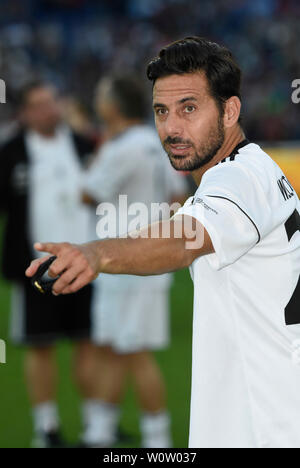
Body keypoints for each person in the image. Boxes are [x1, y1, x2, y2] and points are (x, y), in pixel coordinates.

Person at [26, 36, 300, 448]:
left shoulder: (237, 179)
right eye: (161, 111)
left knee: (126, 351)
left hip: (262, 427)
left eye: (189, 108)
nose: (171, 128)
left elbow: (186, 238)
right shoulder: (255, 168)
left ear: (230, 110)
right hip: (273, 409)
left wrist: (96, 253)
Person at [80, 74, 188, 448]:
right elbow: (177, 197)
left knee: (133, 352)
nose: (97, 100)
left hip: (121, 262)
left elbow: (86, 194)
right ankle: (99, 433)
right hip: (149, 259)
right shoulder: (156, 141)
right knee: (115, 347)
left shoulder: (119, 146)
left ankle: (157, 442)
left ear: (112, 105)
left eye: (101, 94)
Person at [0, 81, 97, 448]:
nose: (49, 110)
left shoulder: (83, 145)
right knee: (39, 346)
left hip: (85, 263)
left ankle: (95, 426)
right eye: (39, 105)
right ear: (24, 112)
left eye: (52, 101)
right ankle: (47, 428)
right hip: (35, 268)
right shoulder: (10, 153)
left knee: (87, 343)